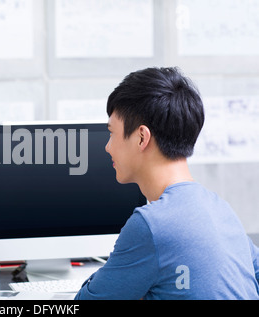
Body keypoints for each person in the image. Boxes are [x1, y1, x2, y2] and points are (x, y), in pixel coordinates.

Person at [75, 67, 259, 300]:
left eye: (112, 133)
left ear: (142, 137)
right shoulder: (220, 209)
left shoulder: (151, 225)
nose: (107, 147)